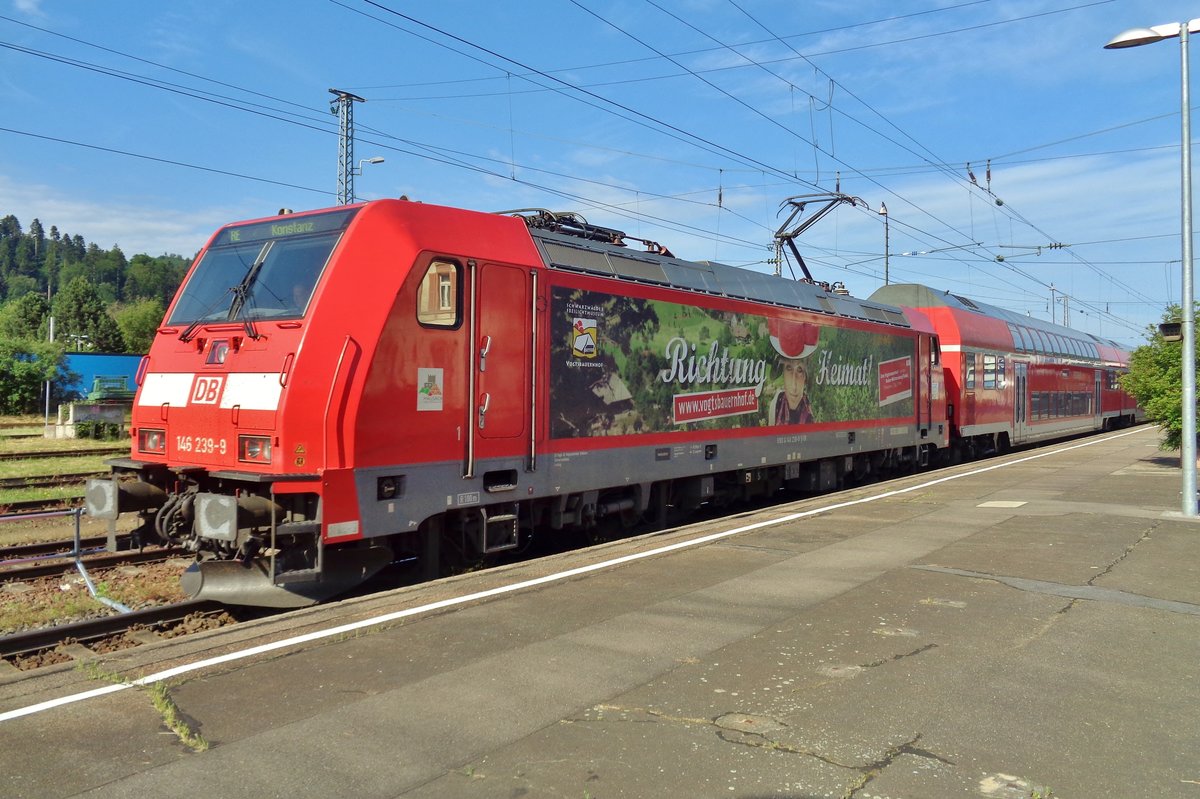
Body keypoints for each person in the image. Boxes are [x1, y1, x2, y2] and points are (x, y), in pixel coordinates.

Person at [769, 317, 819, 425]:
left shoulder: (811, 417)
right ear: (782, 372)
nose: (794, 385)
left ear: (806, 377)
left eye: (800, 370)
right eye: (789, 368)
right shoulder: (776, 403)